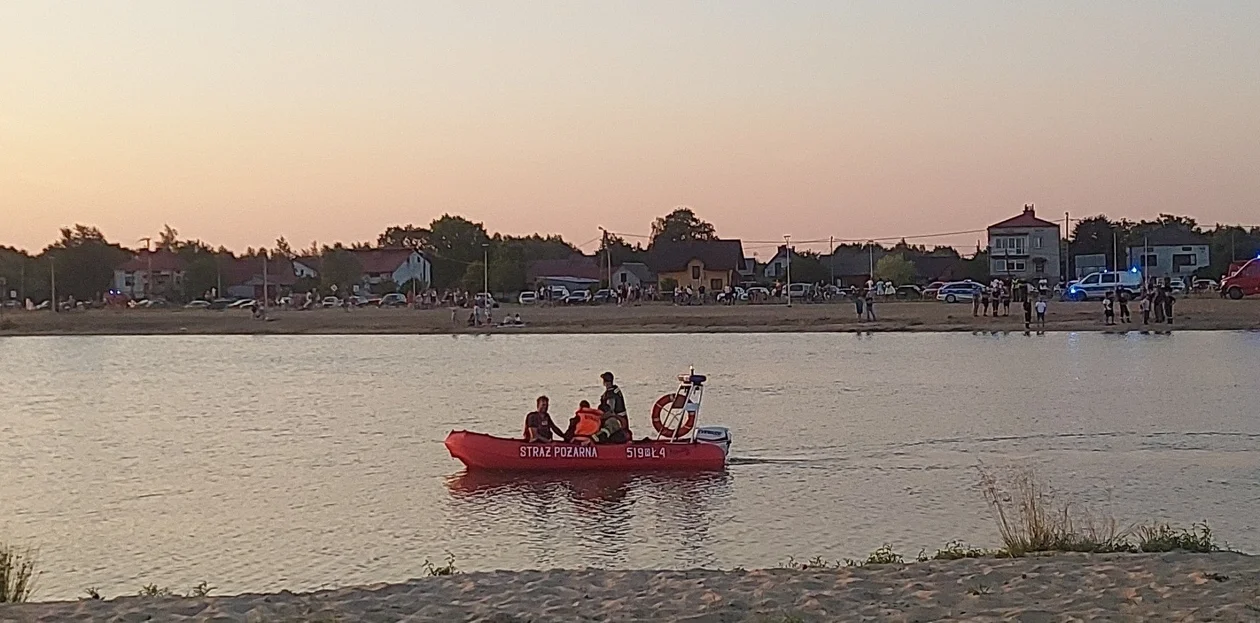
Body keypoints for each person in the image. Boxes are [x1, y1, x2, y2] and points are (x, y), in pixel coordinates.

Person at [599, 372, 631, 437]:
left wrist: (599, 417)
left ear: (605, 382)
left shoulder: (611, 395)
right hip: (622, 418)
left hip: (617, 420)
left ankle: (600, 437)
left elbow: (611, 411)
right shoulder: (615, 390)